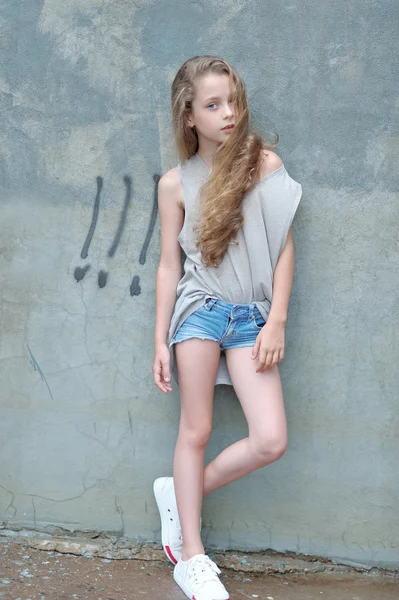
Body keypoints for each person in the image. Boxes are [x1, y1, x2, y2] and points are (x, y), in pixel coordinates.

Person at [152, 55, 302, 600]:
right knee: (195, 431)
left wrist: (277, 319)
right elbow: (170, 265)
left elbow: (283, 245)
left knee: (270, 439)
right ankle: (192, 558)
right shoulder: (175, 184)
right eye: (212, 105)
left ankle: (179, 493)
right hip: (199, 309)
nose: (227, 113)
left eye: (232, 101)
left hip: (252, 317)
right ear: (189, 116)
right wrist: (159, 340)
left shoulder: (263, 163)